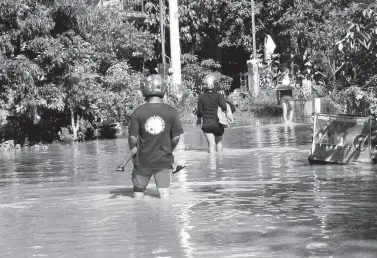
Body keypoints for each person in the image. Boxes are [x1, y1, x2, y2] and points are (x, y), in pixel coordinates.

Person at [125, 74, 184, 199]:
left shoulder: (138, 111)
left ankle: (138, 216)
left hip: (143, 159)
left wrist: (133, 151)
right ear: (163, 90)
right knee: (164, 194)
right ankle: (166, 217)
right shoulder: (171, 111)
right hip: (163, 160)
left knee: (138, 190)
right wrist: (168, 150)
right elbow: (176, 137)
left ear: (145, 90)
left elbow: (132, 138)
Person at [197, 73, 228, 153]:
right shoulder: (218, 95)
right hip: (217, 123)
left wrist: (199, 120)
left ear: (204, 85)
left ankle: (211, 164)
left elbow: (200, 112)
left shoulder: (201, 97)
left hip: (206, 124)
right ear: (215, 84)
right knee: (219, 143)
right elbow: (224, 107)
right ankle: (220, 162)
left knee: (211, 145)